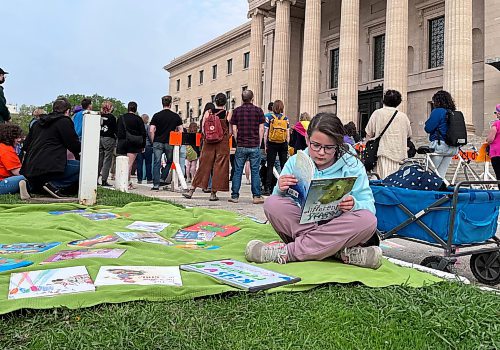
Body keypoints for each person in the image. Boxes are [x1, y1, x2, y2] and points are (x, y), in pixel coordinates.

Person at [245, 113, 381, 269]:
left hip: (338, 226)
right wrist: (280, 189)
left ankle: (287, 252)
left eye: (329, 148)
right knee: (272, 203)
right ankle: (336, 251)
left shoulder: (352, 165)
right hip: (305, 225)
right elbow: (279, 205)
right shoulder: (295, 161)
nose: (321, 152)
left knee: (368, 220)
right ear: (307, 139)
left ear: (338, 144)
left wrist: (354, 204)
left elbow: (370, 207)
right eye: (316, 145)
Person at [21, 98, 81, 198]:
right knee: (83, 167)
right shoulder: (64, 121)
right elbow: (74, 145)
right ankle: (55, 185)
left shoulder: (37, 123)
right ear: (67, 111)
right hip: (50, 168)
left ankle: (29, 186)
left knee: (41, 178)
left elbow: (26, 146)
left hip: (30, 168)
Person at [183, 94, 230, 201]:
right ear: (225, 102)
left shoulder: (207, 113)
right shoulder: (227, 114)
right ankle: (213, 193)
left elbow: (204, 129)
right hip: (222, 143)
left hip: (208, 143)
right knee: (219, 167)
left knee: (203, 166)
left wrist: (209, 137)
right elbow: (230, 130)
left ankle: (192, 190)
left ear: (215, 102)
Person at [229, 90, 266, 204]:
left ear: (242, 98)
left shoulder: (237, 111)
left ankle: (234, 196)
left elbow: (234, 129)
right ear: (252, 98)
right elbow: (261, 129)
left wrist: (237, 140)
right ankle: (256, 196)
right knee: (255, 171)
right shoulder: (258, 111)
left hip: (241, 144)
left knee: (237, 171)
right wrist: (259, 142)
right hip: (254, 144)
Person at [365, 89, 412, 179]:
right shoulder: (403, 116)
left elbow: (369, 133)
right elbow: (409, 135)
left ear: (384, 100)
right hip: (400, 155)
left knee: (383, 180)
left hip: (383, 153)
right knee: (397, 182)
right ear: (398, 102)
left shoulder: (377, 113)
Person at [150, 96, 183, 190]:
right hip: (170, 142)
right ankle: (162, 177)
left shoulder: (156, 115)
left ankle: (155, 184)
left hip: (158, 141)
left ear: (162, 103)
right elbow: (181, 130)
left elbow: (152, 130)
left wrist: (153, 140)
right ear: (170, 104)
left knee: (156, 162)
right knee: (169, 161)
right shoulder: (175, 116)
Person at [424, 90, 459, 179]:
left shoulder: (438, 111)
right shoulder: (452, 112)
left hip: (440, 146)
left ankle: (430, 192)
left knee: (429, 174)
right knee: (441, 175)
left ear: (438, 101)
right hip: (452, 147)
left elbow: (428, 128)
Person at [116, 101, 146, 190]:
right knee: (129, 165)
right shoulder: (138, 119)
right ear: (136, 109)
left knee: (121, 164)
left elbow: (116, 130)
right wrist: (143, 145)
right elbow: (143, 133)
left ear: (128, 108)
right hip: (133, 144)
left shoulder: (121, 118)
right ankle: (127, 182)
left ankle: (121, 181)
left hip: (122, 142)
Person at [263, 100, 290, 196]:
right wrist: (287, 144)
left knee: (270, 166)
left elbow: (266, 133)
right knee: (284, 166)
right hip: (283, 144)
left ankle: (267, 188)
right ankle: (285, 187)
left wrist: (265, 145)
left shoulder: (269, 118)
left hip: (272, 143)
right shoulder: (285, 119)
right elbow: (287, 134)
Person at [0, 124, 30, 198]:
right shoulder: (6, 150)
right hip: (2, 183)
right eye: (17, 137)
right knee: (27, 176)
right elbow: (17, 172)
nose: (19, 140)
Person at [98, 101, 117, 187]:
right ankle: (104, 179)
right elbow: (114, 130)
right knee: (107, 159)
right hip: (109, 138)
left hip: (100, 137)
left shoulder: (99, 116)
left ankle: (95, 178)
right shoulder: (112, 117)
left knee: (99, 159)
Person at [136, 114, 153, 184]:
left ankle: (139, 179)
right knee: (148, 163)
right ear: (147, 119)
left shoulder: (137, 127)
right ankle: (149, 179)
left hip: (139, 146)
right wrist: (152, 143)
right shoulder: (148, 127)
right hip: (147, 146)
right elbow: (150, 136)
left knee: (139, 163)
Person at [486, 104, 500, 183]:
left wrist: (487, 139)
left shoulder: (496, 124)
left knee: (499, 176)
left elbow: (490, 139)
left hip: (497, 154)